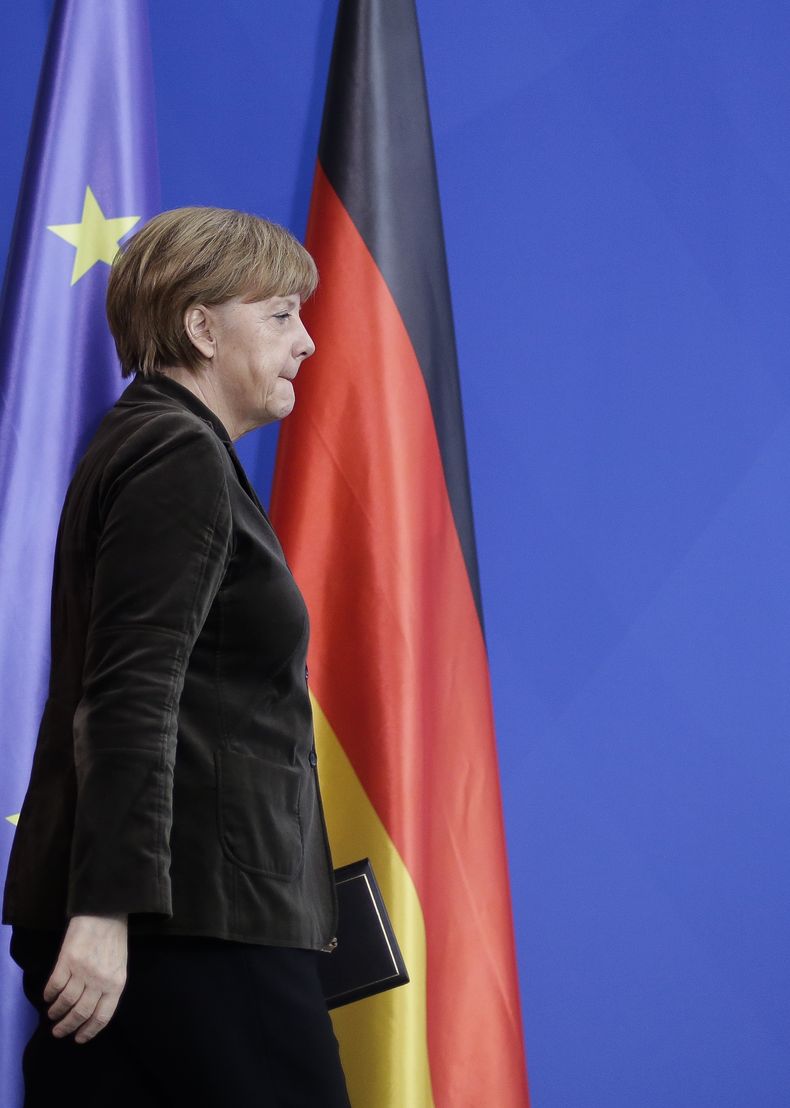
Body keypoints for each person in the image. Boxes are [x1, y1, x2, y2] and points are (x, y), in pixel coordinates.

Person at [2, 207, 351, 1107]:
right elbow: (130, 694)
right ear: (201, 327)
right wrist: (108, 910)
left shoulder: (153, 441)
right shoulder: (175, 453)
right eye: (279, 315)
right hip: (191, 926)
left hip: (178, 919)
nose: (306, 341)